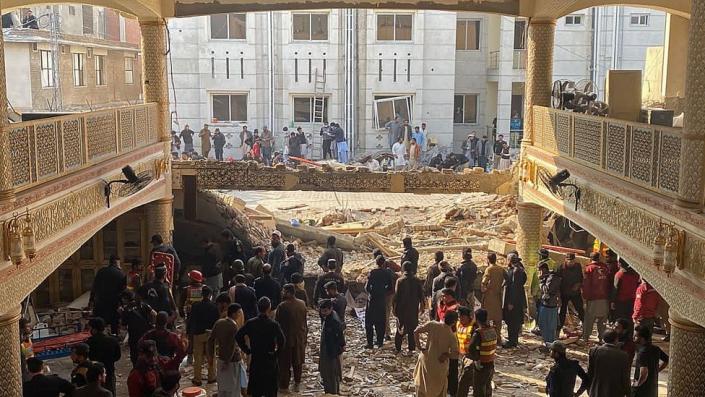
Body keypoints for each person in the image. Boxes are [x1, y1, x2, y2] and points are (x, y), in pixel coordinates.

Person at [236, 297, 286, 397]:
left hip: (256, 359)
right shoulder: (273, 324)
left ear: (258, 308)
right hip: (269, 359)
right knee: (270, 390)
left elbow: (238, 336)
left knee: (256, 390)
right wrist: (276, 354)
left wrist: (247, 350)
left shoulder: (251, 323)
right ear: (269, 308)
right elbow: (282, 341)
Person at [413, 311, 459, 397]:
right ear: (454, 322)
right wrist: (446, 355)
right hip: (439, 366)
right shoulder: (451, 336)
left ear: (444, 317)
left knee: (422, 385)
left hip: (425, 360)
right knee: (439, 390)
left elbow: (416, 331)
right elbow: (455, 355)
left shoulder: (432, 324)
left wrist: (419, 346)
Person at [276, 284, 308, 393]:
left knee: (285, 363)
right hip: (299, 337)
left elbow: (277, 324)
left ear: (289, 293)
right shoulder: (302, 304)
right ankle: (297, 383)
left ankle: (284, 386)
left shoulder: (282, 306)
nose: (282, 293)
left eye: (284, 291)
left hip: (286, 338)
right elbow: (305, 321)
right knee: (298, 361)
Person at [209, 303, 245, 397]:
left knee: (222, 387)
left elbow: (211, 340)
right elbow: (232, 345)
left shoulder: (219, 322)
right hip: (232, 361)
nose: (239, 315)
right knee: (233, 388)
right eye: (238, 313)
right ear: (233, 314)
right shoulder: (233, 326)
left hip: (220, 358)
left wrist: (210, 357)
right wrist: (227, 361)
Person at [188, 286, 219, 386]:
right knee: (211, 357)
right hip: (210, 334)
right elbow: (216, 322)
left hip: (198, 334)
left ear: (202, 294)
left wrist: (189, 334)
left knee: (198, 357)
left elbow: (191, 320)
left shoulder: (195, 305)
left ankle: (197, 379)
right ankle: (211, 378)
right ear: (210, 295)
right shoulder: (214, 306)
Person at [90, 255, 127, 335]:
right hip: (113, 305)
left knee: (98, 325)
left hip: (100, 304)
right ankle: (114, 339)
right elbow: (123, 291)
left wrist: (91, 301)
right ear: (116, 262)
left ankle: (98, 340)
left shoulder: (101, 271)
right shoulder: (120, 274)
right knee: (114, 327)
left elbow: (94, 287)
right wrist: (123, 305)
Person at [587, 330, 631, 397]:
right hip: (615, 392)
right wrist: (628, 393)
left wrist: (588, 387)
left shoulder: (593, 351)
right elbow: (625, 377)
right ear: (616, 340)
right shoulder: (623, 355)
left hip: (596, 390)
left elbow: (590, 371)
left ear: (603, 339)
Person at [393, 261, 424, 352]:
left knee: (400, 329)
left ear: (403, 269)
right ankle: (411, 349)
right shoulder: (417, 280)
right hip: (413, 309)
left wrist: (394, 308)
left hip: (401, 309)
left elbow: (396, 296)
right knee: (412, 329)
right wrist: (422, 307)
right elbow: (421, 296)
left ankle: (398, 348)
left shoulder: (400, 281)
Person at [120, 290, 156, 366]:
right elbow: (154, 314)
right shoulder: (143, 304)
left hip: (134, 336)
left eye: (123, 298)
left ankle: (137, 370)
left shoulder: (126, 310)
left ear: (125, 298)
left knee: (135, 355)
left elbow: (123, 327)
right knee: (147, 352)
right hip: (146, 334)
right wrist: (152, 323)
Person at [86, 317, 120, 395]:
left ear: (94, 329)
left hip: (94, 375)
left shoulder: (89, 342)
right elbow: (117, 356)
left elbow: (87, 357)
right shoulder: (113, 340)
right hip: (109, 371)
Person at [366, 255, 394, 348]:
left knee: (369, 322)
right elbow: (391, 288)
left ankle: (370, 343)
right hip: (381, 300)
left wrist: (371, 293)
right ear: (384, 263)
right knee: (381, 322)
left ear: (376, 262)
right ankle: (380, 342)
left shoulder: (372, 272)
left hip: (372, 300)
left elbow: (367, 287)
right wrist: (383, 293)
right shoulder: (387, 273)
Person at [632, 324, 668, 397]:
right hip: (652, 387)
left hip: (642, 390)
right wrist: (657, 370)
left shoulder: (642, 353)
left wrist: (637, 384)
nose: (633, 337)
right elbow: (666, 360)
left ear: (642, 338)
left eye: (635, 336)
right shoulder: (655, 348)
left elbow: (644, 372)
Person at [582, 252, 611, 343]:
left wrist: (585, 297)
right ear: (599, 258)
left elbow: (586, 284)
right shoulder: (606, 268)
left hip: (593, 298)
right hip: (605, 298)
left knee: (589, 319)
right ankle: (602, 338)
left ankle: (586, 337)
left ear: (590, 259)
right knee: (603, 320)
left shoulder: (589, 268)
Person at [467, 309, 497, 397]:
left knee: (479, 388)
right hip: (491, 363)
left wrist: (476, 359)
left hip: (481, 364)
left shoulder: (479, 333)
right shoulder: (492, 330)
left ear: (476, 319)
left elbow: (471, 347)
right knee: (487, 387)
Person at [319, 298, 346, 395]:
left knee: (331, 374)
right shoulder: (329, 316)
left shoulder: (334, 321)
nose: (323, 313)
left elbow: (339, 335)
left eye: (325, 311)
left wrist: (341, 346)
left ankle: (332, 393)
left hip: (331, 352)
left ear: (331, 309)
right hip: (327, 349)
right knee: (328, 373)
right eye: (322, 311)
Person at [502, 252, 527, 348]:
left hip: (514, 301)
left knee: (512, 320)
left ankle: (513, 341)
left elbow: (515, 288)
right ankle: (512, 339)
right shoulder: (518, 270)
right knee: (513, 320)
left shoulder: (516, 271)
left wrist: (511, 302)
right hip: (517, 299)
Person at [556, 253, 584, 334]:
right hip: (564, 293)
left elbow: (581, 278)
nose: (570, 262)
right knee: (562, 312)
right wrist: (558, 296)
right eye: (569, 260)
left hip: (575, 293)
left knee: (580, 310)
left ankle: (585, 329)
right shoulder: (561, 267)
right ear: (565, 260)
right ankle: (558, 330)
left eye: (572, 261)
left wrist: (578, 285)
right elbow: (557, 282)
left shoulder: (578, 266)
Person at [481, 252, 505, 344]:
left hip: (489, 298)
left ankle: (488, 339)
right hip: (498, 296)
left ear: (488, 260)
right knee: (497, 320)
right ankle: (497, 338)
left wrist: (484, 289)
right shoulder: (501, 269)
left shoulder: (489, 269)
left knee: (487, 318)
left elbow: (484, 282)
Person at [538, 261, 561, 345]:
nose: (539, 273)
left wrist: (541, 281)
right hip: (546, 304)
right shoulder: (548, 277)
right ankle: (547, 342)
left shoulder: (552, 278)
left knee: (549, 326)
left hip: (550, 306)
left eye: (540, 270)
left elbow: (547, 290)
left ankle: (549, 343)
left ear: (544, 269)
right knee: (543, 325)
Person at [455, 306, 475, 397]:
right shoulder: (458, 324)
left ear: (468, 317)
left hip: (471, 358)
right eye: (460, 317)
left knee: (464, 381)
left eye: (463, 317)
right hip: (461, 356)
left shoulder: (473, 328)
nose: (461, 319)